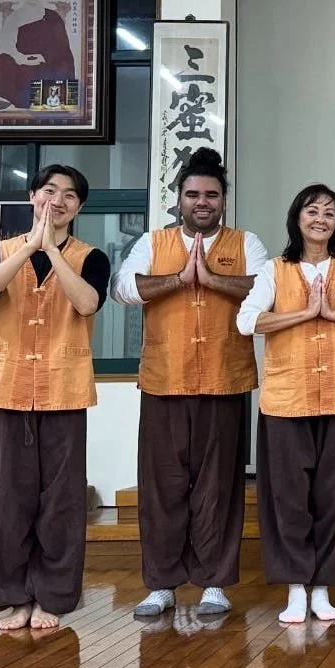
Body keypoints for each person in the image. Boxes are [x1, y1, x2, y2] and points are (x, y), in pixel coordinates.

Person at [111, 147, 268, 618]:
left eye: (212, 195)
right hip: (164, 382)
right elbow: (124, 289)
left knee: (219, 487)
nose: (203, 201)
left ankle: (214, 583)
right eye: (193, 194)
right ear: (178, 198)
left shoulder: (246, 243)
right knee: (162, 487)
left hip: (225, 381)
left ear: (223, 201)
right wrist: (179, 279)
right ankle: (161, 584)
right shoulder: (152, 243)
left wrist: (213, 279)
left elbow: (267, 293)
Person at [237, 184, 335, 623]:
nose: (320, 218)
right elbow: (247, 320)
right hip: (287, 401)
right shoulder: (275, 270)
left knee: (332, 496)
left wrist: (334, 314)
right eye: (312, 210)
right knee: (288, 496)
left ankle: (323, 587)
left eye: (329, 212)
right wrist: (304, 314)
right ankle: (294, 587)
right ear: (297, 218)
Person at [0, 164, 110, 630]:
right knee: (4, 497)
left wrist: (53, 251)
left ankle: (53, 597)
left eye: (70, 195)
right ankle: (13, 597)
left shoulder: (91, 257)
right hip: (3, 389)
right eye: (50, 191)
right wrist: (31, 245)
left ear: (80, 207)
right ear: (33, 196)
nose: (59, 201)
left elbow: (88, 303)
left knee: (61, 502)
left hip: (64, 390)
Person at [0, 0, 77, 110]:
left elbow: (61, 46)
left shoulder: (51, 16)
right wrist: (20, 58)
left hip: (45, 61)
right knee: (0, 61)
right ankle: (7, 97)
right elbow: (5, 44)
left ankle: (54, 99)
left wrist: (44, 57)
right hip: (19, 61)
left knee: (63, 63)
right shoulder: (15, 16)